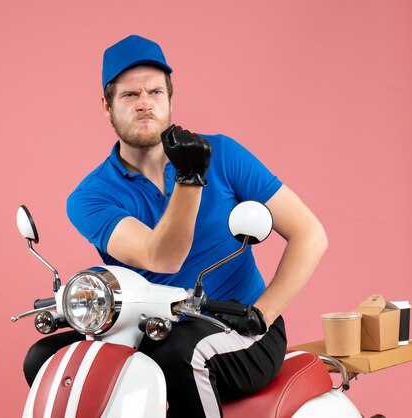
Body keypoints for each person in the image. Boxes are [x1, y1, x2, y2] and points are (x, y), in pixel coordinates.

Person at [24, 34, 327, 417]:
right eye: (130, 96)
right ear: (107, 105)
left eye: (155, 92)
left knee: (179, 353)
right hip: (150, 326)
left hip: (240, 326)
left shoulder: (223, 154)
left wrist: (262, 314)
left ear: (170, 98)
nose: (145, 104)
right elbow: (160, 257)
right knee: (45, 358)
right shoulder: (90, 196)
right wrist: (190, 178)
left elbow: (310, 234)